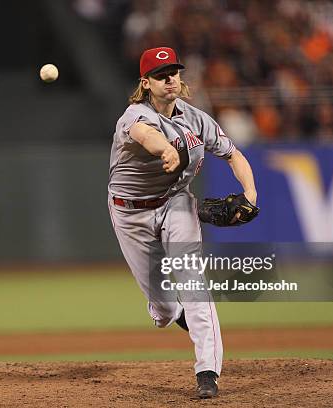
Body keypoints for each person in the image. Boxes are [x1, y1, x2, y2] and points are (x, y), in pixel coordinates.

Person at [107, 46, 258, 399]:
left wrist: (250, 193)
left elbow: (234, 155)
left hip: (176, 203)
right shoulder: (133, 116)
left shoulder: (197, 119)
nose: (169, 79)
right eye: (160, 75)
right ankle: (173, 311)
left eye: (174, 72)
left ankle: (207, 372)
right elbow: (148, 135)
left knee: (193, 281)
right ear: (146, 83)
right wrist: (165, 150)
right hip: (129, 212)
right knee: (161, 305)